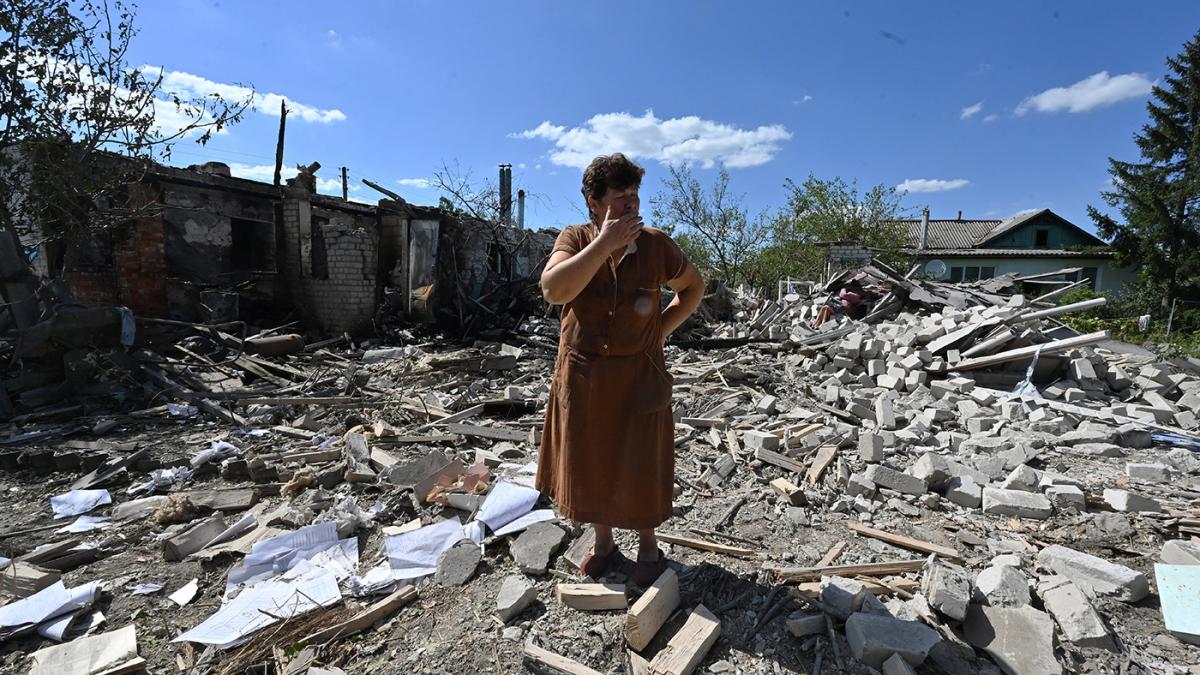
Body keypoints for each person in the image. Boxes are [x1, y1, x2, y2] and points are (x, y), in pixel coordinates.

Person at [536, 153, 704, 585]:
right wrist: (603, 245)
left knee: (640, 458)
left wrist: (660, 331)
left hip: (639, 373)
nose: (631, 205)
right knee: (591, 458)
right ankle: (605, 542)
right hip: (584, 373)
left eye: (634, 196)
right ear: (593, 202)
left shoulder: (655, 245)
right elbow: (555, 290)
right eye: (619, 198)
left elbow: (692, 288)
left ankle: (649, 547)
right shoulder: (575, 239)